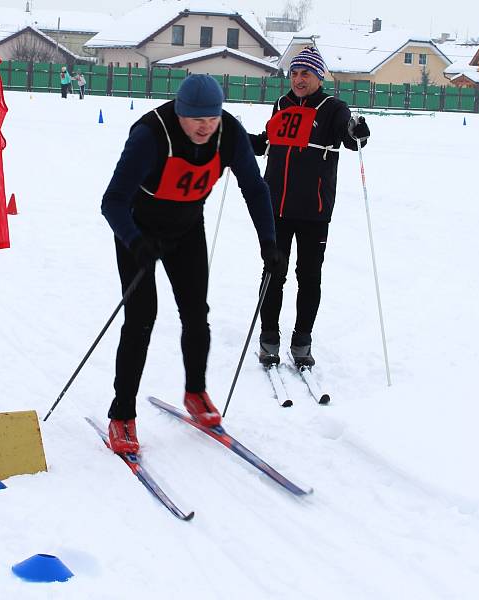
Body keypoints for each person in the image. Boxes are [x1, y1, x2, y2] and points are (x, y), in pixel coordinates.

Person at [100, 74, 283, 454]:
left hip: (186, 229)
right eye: (196, 119)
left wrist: (269, 243)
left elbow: (255, 187)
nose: (205, 126)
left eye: (212, 118)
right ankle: (122, 415)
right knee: (141, 317)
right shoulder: (151, 135)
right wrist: (134, 241)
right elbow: (113, 200)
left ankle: (195, 392)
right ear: (179, 113)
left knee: (196, 313)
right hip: (138, 229)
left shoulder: (227, 133)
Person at [248, 46, 370, 368]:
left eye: (306, 73)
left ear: (319, 76)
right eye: (295, 73)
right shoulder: (281, 104)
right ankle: (268, 338)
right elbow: (267, 141)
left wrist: (356, 130)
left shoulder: (333, 108)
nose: (299, 80)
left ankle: (302, 341)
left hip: (314, 211)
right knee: (273, 274)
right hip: (275, 207)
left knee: (309, 277)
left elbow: (349, 134)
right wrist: (241, 142)